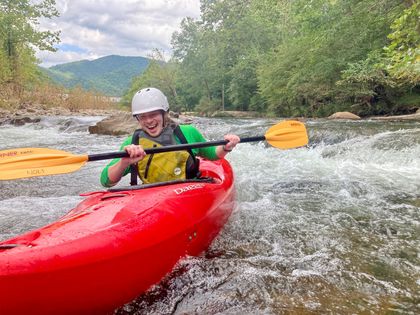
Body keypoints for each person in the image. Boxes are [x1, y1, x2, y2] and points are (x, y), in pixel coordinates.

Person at [100, 87, 240, 187]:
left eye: (153, 114)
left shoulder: (188, 132)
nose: (148, 121)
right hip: (151, 196)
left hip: (188, 191)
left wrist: (226, 147)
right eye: (143, 117)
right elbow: (106, 181)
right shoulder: (132, 143)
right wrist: (124, 162)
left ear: (164, 113)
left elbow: (213, 154)